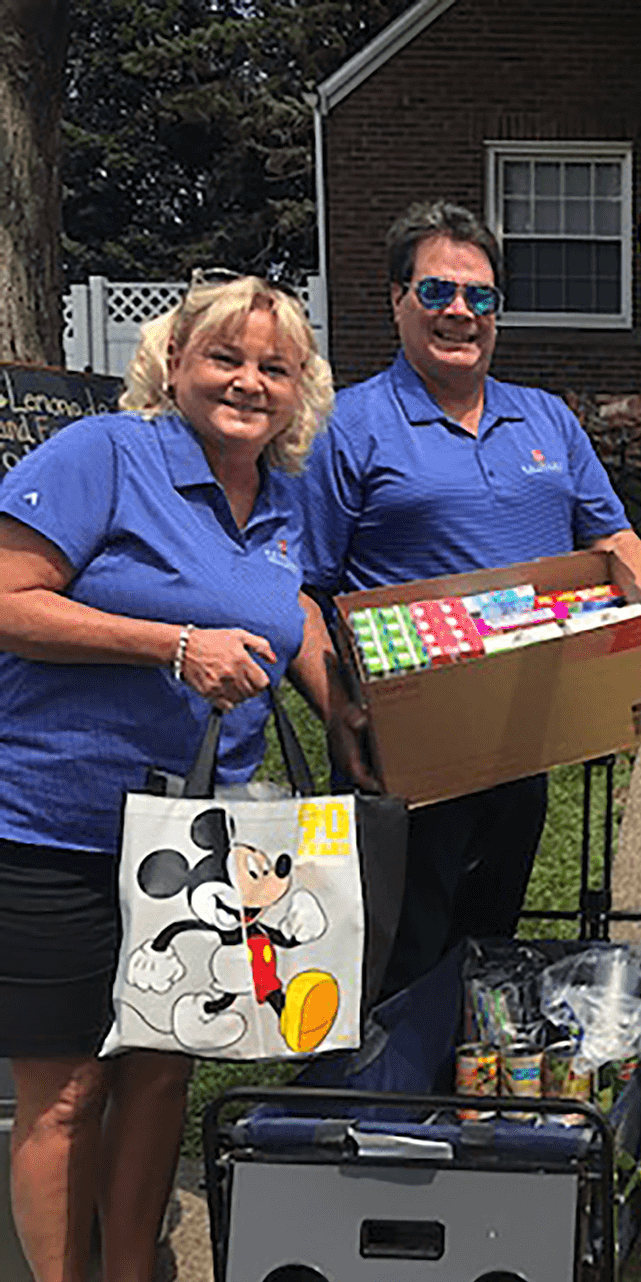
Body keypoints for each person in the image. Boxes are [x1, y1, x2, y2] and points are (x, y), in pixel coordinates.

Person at [0, 273, 336, 1282]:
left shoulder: (282, 500)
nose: (247, 381)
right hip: (57, 826)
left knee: (159, 1072)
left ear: (299, 388)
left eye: (273, 366)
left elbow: (297, 614)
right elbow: (10, 599)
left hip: (200, 840)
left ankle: (132, 1270)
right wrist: (171, 644)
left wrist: (367, 723)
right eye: (225, 357)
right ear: (174, 361)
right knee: (66, 1092)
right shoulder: (106, 453)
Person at [297, 200, 641, 997]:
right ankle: (383, 1106)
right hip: (402, 741)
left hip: (524, 731)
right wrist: (338, 712)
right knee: (395, 948)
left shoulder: (546, 420)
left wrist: (634, 659)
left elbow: (615, 541)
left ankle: (472, 1095)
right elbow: (301, 588)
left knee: (490, 938)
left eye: (481, 297)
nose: (461, 312)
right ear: (396, 299)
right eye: (437, 292)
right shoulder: (348, 426)